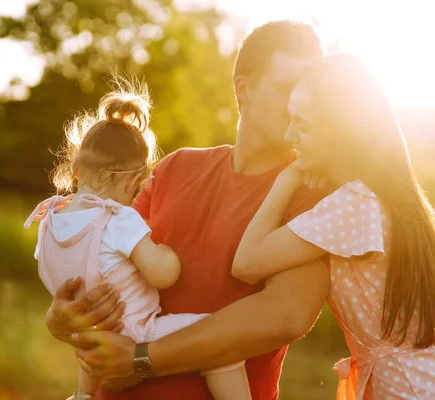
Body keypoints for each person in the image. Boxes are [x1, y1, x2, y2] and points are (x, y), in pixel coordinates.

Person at [43, 20, 331, 400]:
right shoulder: (175, 167)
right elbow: (103, 258)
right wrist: (61, 319)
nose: (300, 103)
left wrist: (143, 359)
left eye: (309, 90)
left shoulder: (309, 187)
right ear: (244, 89)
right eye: (287, 87)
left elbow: (287, 314)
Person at [232, 54, 435, 399]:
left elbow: (246, 262)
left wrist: (287, 179)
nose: (290, 136)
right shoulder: (375, 196)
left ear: (341, 128)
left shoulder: (354, 205)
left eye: (301, 123)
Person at [24, 80, 250, 400]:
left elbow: (55, 270)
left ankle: (83, 395)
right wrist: (165, 252)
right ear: (134, 181)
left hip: (90, 335)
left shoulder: (49, 218)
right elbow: (163, 274)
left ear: (76, 169)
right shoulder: (117, 218)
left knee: (89, 336)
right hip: (135, 330)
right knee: (219, 343)